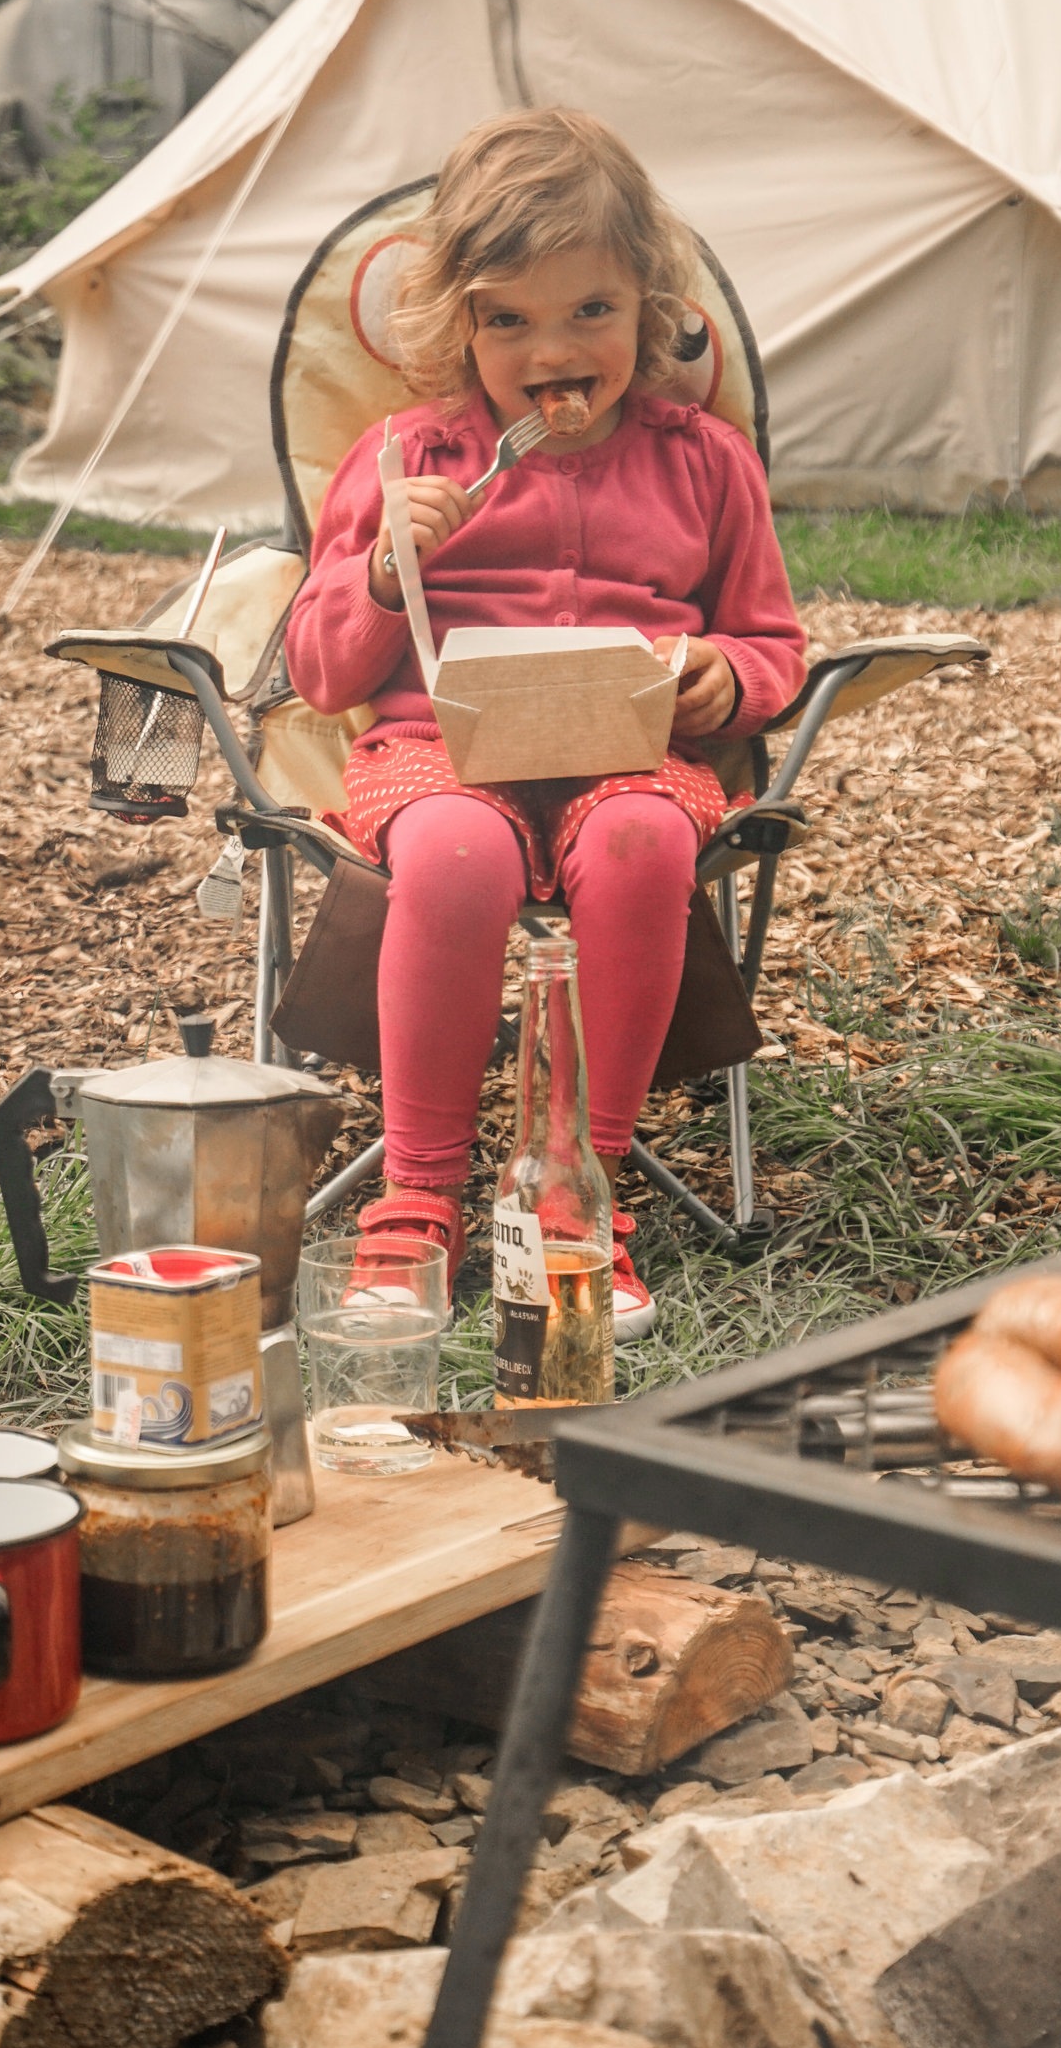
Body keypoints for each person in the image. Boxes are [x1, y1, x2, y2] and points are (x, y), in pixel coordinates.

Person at [286, 109, 807, 1339]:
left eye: (591, 313)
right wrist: (375, 571)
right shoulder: (407, 453)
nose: (551, 349)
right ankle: (415, 1196)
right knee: (456, 858)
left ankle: (582, 1188)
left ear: (649, 309)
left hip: (633, 748)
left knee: (643, 847)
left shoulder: (705, 462)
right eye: (507, 318)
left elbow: (771, 642)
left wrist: (723, 681)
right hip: (436, 749)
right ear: (457, 324)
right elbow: (316, 671)